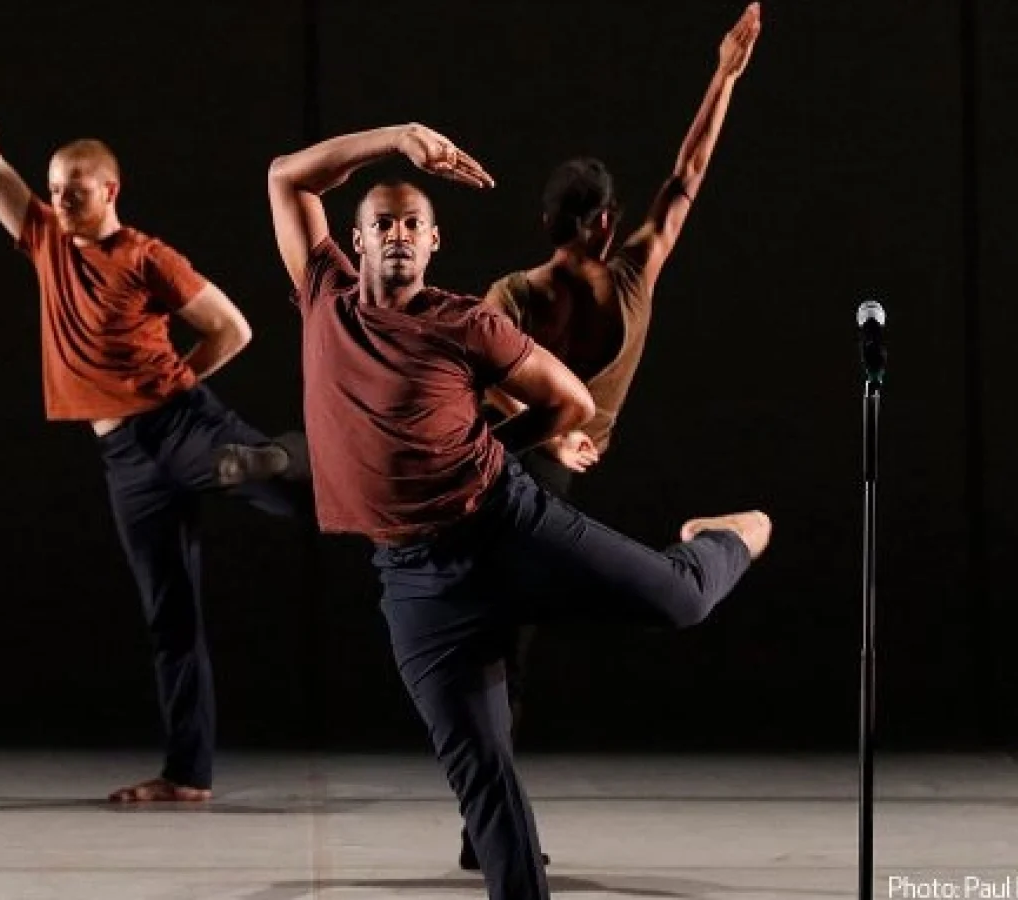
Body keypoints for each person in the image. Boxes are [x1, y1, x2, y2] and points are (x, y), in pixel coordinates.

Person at [261, 35, 767, 900]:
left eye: (412, 224)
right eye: (381, 221)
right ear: (355, 238)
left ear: (433, 243)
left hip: (507, 524)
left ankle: (729, 535)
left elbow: (570, 399)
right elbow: (286, 176)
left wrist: (501, 449)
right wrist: (399, 135)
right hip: (415, 580)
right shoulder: (322, 296)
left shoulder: (470, 322)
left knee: (680, 599)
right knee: (486, 780)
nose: (395, 234)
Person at [0, 4, 308, 804]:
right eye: (55, 191)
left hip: (181, 423)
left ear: (110, 189)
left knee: (297, 497)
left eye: (75, 192)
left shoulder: (147, 255)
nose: (60, 202)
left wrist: (179, 382)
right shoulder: (46, 239)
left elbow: (231, 327)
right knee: (171, 615)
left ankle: (327, 468)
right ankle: (187, 776)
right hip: (124, 458)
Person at [455, 2, 764, 871]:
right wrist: (725, 73)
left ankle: (488, 827)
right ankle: (490, 828)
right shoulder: (601, 280)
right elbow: (687, 176)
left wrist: (724, 74)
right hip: (516, 481)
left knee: (506, 647)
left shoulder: (517, 289)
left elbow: (685, 176)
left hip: (534, 482)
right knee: (504, 644)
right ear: (598, 223)